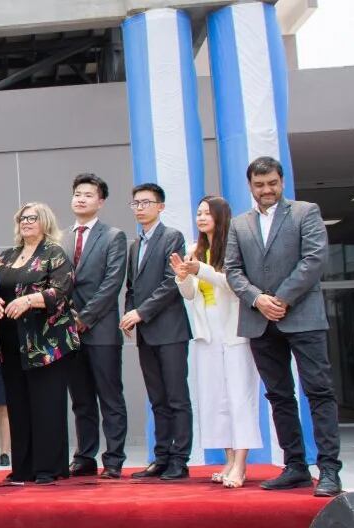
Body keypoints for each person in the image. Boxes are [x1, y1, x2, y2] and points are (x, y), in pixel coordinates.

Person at [225, 156, 341, 496]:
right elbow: (232, 270)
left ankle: (330, 470)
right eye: (259, 185)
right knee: (278, 395)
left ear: (282, 181)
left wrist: (282, 299)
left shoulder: (306, 212)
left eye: (272, 183)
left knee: (318, 392)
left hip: (302, 317)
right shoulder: (239, 223)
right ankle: (295, 466)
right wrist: (258, 299)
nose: (266, 190)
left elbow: (314, 259)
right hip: (260, 321)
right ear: (250, 186)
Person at [173, 196, 261, 489]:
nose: (201, 217)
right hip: (206, 329)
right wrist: (183, 276)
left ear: (221, 216)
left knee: (239, 395)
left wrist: (201, 270)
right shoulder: (193, 250)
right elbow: (188, 294)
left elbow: (233, 285)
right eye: (198, 212)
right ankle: (227, 459)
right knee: (214, 396)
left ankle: (241, 463)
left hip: (234, 328)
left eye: (207, 213)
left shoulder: (234, 247)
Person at [0, 201, 79, 486]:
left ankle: (47, 468)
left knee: (46, 405)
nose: (26, 222)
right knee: (17, 404)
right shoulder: (7, 256)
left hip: (45, 344)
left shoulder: (54, 253)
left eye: (32, 218)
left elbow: (62, 291)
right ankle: (23, 467)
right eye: (22, 218)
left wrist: (29, 300)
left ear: (45, 222)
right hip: (10, 342)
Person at [120, 183, 193, 481]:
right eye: (135, 203)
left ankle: (180, 459)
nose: (139, 208)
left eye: (146, 202)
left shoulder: (172, 237)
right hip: (146, 333)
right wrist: (129, 314)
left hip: (171, 330)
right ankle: (161, 457)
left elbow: (169, 284)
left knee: (177, 398)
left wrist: (141, 312)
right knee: (157, 399)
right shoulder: (135, 245)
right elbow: (132, 288)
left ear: (160, 207)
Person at [63, 173, 129, 479]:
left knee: (110, 396)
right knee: (81, 400)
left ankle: (114, 458)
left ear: (100, 202)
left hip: (100, 328)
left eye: (88, 195)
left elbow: (111, 284)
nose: (81, 199)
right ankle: (85, 456)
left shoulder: (113, 236)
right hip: (68, 333)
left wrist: (84, 318)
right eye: (77, 193)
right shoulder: (61, 238)